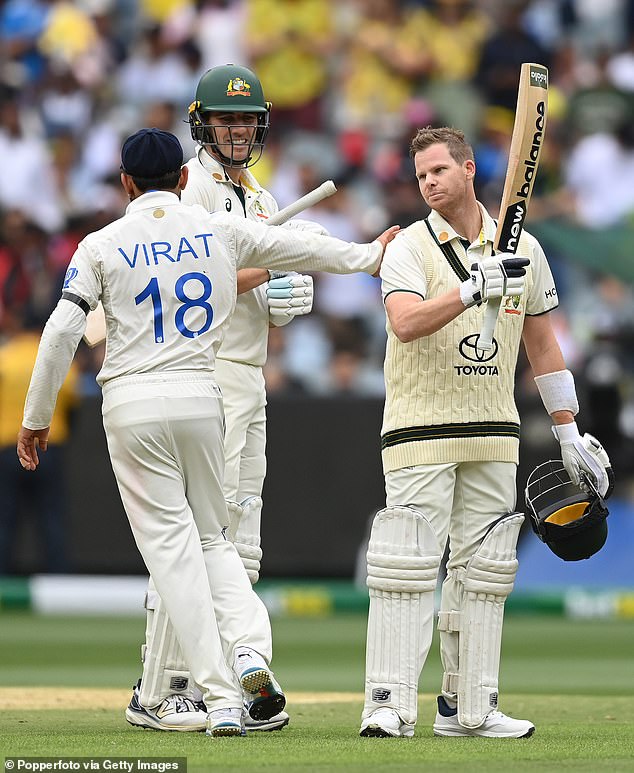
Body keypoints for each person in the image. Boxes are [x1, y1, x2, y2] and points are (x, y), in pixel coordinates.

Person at [17, 127, 397, 738]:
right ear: (185, 178)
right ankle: (249, 653)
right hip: (204, 395)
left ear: (125, 183)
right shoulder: (218, 231)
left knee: (173, 555)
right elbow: (299, 250)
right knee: (216, 541)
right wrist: (370, 255)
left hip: (133, 403)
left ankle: (216, 697)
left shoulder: (100, 244)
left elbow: (64, 333)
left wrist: (36, 419)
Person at [359, 126, 612, 739]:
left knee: (486, 570)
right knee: (408, 566)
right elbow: (404, 323)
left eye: (439, 170)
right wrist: (471, 289)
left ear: (469, 169)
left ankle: (469, 708)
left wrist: (568, 429)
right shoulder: (408, 247)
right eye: (421, 176)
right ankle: (388, 703)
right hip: (420, 428)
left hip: (495, 433)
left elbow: (543, 343)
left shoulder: (525, 248)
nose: (428, 183)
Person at [125, 64, 320, 734]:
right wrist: (271, 267)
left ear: (260, 124)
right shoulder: (191, 190)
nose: (237, 130)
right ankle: (163, 688)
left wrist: (284, 295)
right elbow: (192, 281)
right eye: (225, 119)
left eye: (246, 119)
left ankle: (223, 683)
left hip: (249, 376)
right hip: (202, 375)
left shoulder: (260, 198)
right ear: (202, 123)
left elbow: (257, 294)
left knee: (241, 544)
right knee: (196, 538)